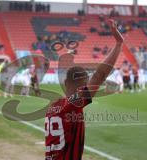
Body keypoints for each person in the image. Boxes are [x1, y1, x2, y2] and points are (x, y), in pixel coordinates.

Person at [45, 19, 124, 160]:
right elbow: (99, 76)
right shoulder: (73, 105)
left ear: (65, 82)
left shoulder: (53, 106)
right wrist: (118, 44)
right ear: (83, 86)